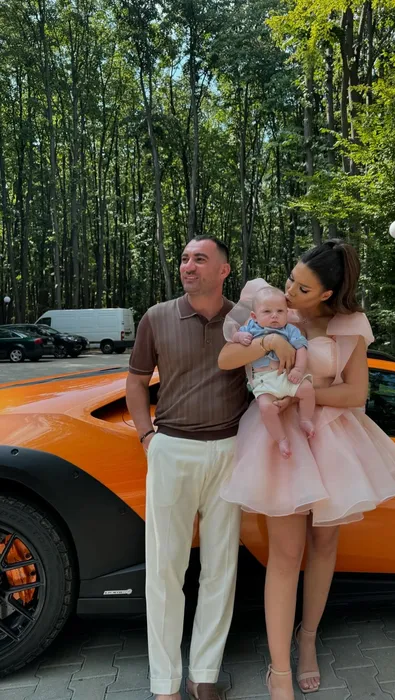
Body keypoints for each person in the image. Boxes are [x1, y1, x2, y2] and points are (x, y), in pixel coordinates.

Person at [218, 239, 395, 700]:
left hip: (329, 434)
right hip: (277, 439)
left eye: (303, 288)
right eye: (291, 279)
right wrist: (269, 341)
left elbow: (354, 393)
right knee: (286, 553)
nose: (290, 292)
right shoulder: (267, 304)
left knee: (325, 542)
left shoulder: (350, 325)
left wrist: (300, 398)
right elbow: (228, 359)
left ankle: (308, 638)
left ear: (328, 294)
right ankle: (278, 670)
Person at [125, 236, 249, 700]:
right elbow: (136, 382)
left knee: (221, 569)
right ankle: (165, 685)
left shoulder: (245, 319)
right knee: (164, 571)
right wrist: (147, 438)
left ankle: (204, 676)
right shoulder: (156, 317)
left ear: (224, 270)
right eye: (183, 258)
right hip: (172, 449)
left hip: (231, 452)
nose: (188, 266)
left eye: (200, 259)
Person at [232, 285, 315, 458]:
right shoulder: (251, 328)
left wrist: (298, 369)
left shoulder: (290, 330)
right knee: (266, 408)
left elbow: (301, 348)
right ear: (254, 316)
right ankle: (281, 439)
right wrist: (240, 337)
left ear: (287, 313)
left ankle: (305, 419)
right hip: (264, 381)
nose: (274, 315)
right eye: (267, 311)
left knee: (307, 389)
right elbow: (234, 337)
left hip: (286, 376)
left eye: (280, 311)